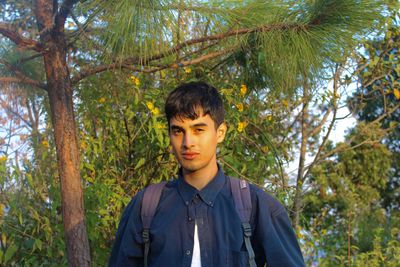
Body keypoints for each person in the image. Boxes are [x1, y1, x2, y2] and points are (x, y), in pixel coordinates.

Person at [109, 81, 305, 266]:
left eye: (198, 129)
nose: (187, 142)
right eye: (178, 131)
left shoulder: (256, 206)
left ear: (220, 133)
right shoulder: (146, 206)